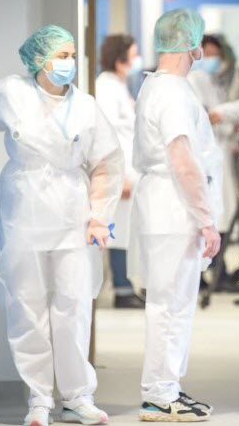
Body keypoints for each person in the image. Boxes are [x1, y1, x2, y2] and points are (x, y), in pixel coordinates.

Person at [0, 25, 122, 426]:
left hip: (72, 213)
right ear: (39, 59)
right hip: (23, 210)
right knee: (26, 306)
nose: (68, 63)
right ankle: (38, 398)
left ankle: (77, 396)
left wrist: (100, 216)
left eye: (72, 55)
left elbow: (105, 161)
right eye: (61, 55)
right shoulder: (11, 93)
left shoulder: (86, 107)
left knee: (72, 303)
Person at [129, 8, 222, 422]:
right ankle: (160, 392)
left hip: (164, 206)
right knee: (171, 304)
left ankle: (165, 389)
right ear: (191, 44)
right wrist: (205, 218)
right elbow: (183, 158)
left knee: (171, 302)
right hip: (173, 210)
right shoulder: (172, 92)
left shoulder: (159, 87)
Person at [187, 34, 239, 292]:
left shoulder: (212, 81)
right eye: (205, 52)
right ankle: (206, 273)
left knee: (221, 212)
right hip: (205, 157)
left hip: (217, 153)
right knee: (211, 212)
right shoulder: (194, 80)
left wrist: (228, 121)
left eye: (214, 54)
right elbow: (205, 117)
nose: (209, 59)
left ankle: (217, 271)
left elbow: (219, 114)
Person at [94, 34, 145, 309]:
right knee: (117, 231)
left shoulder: (119, 86)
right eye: (133, 54)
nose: (137, 60)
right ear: (120, 58)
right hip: (118, 173)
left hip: (127, 171)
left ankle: (127, 287)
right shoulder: (106, 88)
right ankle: (122, 290)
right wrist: (118, 176)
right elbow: (106, 135)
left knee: (124, 231)